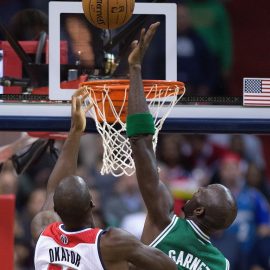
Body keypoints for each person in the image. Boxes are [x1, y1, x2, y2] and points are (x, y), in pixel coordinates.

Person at [126, 21, 237, 269]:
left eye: (202, 191)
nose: (197, 188)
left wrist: (134, 69)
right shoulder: (221, 265)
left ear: (198, 211)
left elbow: (141, 144)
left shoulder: (165, 221)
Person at [31, 93, 177, 270]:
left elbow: (54, 189)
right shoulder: (112, 243)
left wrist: (75, 131)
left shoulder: (43, 230)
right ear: (92, 204)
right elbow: (168, 266)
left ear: (56, 210)